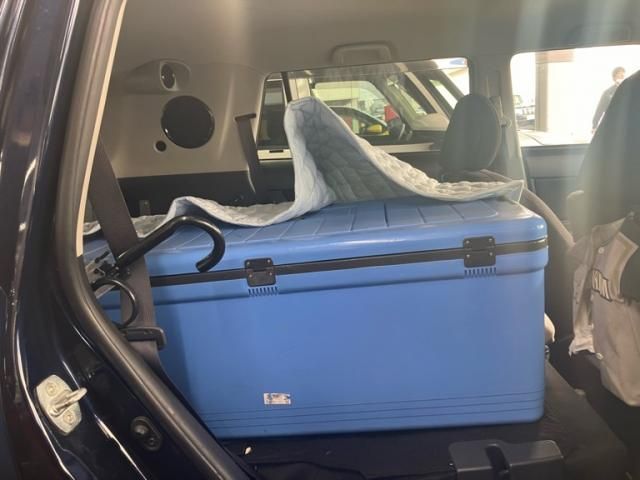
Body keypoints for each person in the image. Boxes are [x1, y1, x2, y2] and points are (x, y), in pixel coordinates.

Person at [592, 66, 626, 132]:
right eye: (620, 75)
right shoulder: (607, 93)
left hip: (625, 124)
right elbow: (600, 109)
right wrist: (594, 125)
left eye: (623, 75)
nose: (622, 76)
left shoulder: (628, 91)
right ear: (614, 77)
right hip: (611, 124)